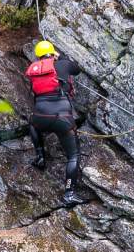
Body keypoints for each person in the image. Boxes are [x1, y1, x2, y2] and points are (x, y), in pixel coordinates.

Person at [25, 39, 93, 205]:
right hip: (61, 118)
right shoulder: (62, 65)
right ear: (52, 53)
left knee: (32, 123)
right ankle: (69, 194)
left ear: (38, 56)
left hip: (41, 117)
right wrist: (59, 57)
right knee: (73, 155)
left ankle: (40, 155)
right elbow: (76, 69)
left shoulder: (34, 71)